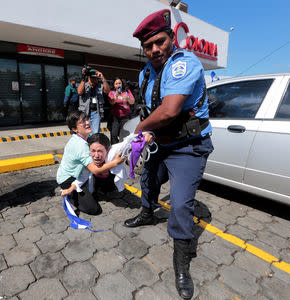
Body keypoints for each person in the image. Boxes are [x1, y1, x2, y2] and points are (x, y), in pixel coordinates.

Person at [123, 9, 214, 299]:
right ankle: (147, 212)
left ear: (171, 38)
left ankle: (182, 260)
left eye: (159, 42)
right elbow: (150, 108)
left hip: (187, 147)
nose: (154, 49)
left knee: (179, 204)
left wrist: (137, 129)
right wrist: (146, 133)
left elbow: (170, 110)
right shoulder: (146, 71)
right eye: (148, 46)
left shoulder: (184, 63)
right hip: (160, 143)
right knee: (148, 180)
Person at [56, 111, 124, 215]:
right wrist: (114, 163)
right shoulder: (80, 145)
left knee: (109, 183)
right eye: (82, 122)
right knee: (93, 209)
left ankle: (97, 186)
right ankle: (70, 193)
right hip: (68, 179)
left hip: (82, 175)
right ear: (75, 129)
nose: (87, 122)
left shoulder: (84, 138)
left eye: (86, 119)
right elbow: (95, 170)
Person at [62, 133, 127, 197]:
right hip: (94, 186)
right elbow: (82, 178)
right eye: (93, 151)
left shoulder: (112, 155)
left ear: (107, 150)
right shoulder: (88, 160)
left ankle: (110, 189)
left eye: (100, 151)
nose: (96, 156)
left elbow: (130, 140)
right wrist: (70, 189)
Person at [78, 66, 110, 134]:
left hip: (96, 112)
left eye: (95, 78)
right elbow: (79, 92)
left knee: (95, 133)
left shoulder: (100, 86)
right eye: (92, 78)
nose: (94, 80)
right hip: (85, 113)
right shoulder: (84, 85)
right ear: (89, 78)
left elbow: (107, 91)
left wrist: (102, 77)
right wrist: (84, 78)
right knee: (85, 133)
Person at [108, 78, 135, 143]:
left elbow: (132, 102)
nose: (118, 85)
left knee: (124, 136)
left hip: (125, 117)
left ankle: (123, 150)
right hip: (115, 118)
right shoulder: (112, 92)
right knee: (114, 135)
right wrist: (116, 96)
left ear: (122, 84)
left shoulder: (127, 91)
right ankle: (114, 149)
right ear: (114, 85)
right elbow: (111, 102)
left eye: (119, 83)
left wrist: (128, 98)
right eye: (116, 84)